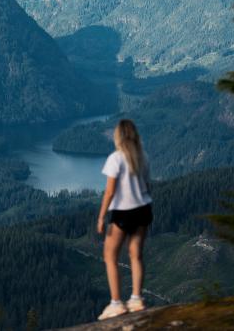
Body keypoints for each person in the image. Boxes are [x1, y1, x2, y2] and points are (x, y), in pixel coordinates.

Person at [97, 119, 153, 321]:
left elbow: (110, 191)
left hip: (123, 211)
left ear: (118, 136)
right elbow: (148, 185)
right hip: (143, 209)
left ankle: (116, 303)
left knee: (110, 255)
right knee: (135, 254)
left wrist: (102, 216)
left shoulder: (116, 158)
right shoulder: (142, 157)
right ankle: (137, 299)